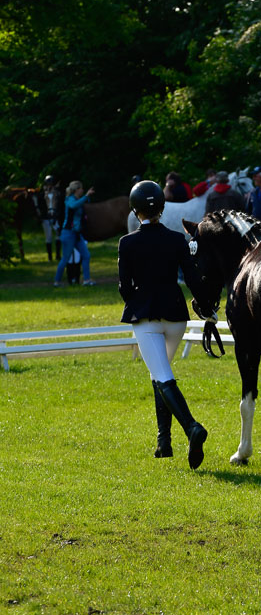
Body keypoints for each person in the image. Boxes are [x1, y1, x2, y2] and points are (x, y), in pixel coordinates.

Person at [118, 180, 215, 468]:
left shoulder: (127, 242)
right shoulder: (176, 239)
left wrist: (136, 300)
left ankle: (192, 428)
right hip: (175, 317)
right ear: (162, 208)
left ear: (136, 212)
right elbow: (193, 279)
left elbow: (124, 286)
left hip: (146, 317)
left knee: (161, 375)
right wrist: (207, 307)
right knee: (159, 375)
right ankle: (164, 442)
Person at [54, 180, 96, 287]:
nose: (82, 190)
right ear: (76, 190)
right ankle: (57, 281)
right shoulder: (69, 199)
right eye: (81, 188)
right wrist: (86, 196)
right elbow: (73, 206)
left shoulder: (78, 199)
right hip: (68, 234)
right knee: (65, 258)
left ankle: (86, 280)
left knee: (86, 255)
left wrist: (87, 197)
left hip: (76, 234)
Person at [36, 175, 62, 261]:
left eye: (51, 183)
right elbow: (39, 206)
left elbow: (60, 204)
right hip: (46, 217)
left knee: (58, 235)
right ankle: (50, 257)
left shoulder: (57, 193)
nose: (49, 185)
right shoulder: (42, 194)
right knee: (48, 236)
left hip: (55, 216)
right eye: (48, 183)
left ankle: (58, 255)